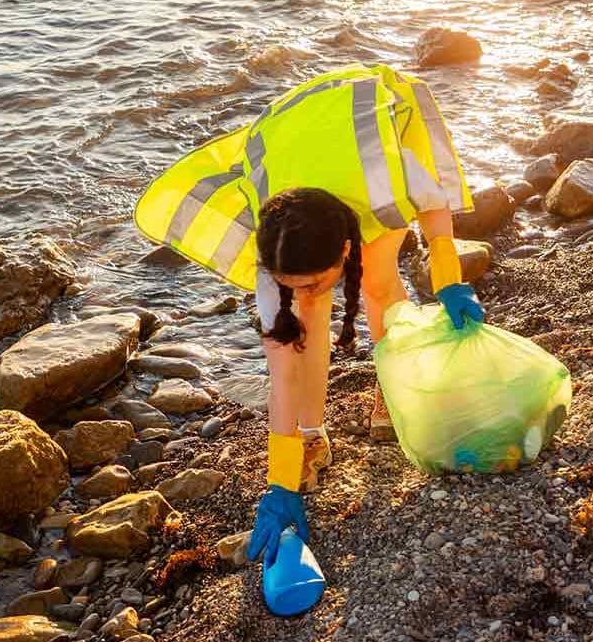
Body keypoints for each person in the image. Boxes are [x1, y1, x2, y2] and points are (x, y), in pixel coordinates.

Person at [135, 63, 485, 565]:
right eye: (289, 283)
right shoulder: (275, 255)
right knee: (305, 319)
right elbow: (282, 372)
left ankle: (394, 394)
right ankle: (313, 437)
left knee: (381, 283)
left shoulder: (384, 181)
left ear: (347, 248)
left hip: (363, 114)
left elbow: (434, 205)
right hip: (288, 135)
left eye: (316, 279)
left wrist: (449, 278)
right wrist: (281, 478)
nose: (302, 291)